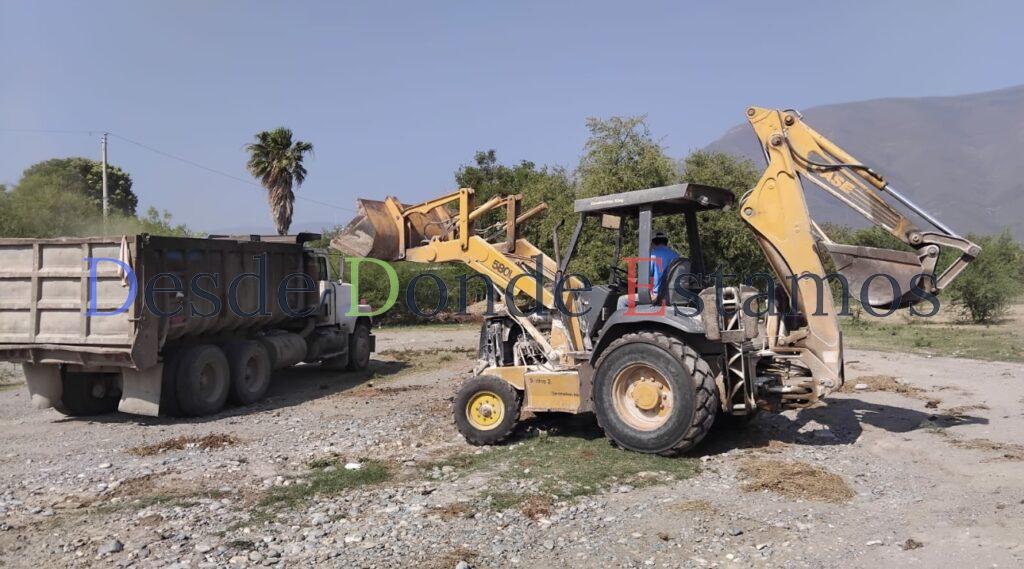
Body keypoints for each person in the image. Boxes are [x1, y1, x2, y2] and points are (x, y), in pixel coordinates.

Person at [616, 231, 687, 310]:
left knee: (622, 300)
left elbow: (645, 277)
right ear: (666, 242)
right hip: (673, 296)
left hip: (657, 296)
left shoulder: (652, 255)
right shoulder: (676, 255)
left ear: (653, 242)